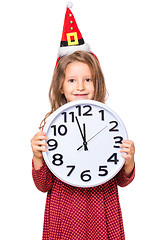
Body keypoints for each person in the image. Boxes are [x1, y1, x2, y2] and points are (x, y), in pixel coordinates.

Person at [31, 3, 135, 240]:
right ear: (60, 85)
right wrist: (38, 157)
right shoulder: (51, 125)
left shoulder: (109, 122)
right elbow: (44, 184)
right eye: (72, 80)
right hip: (65, 209)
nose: (80, 86)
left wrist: (129, 160)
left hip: (101, 206)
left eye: (87, 79)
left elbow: (122, 179)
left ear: (96, 83)